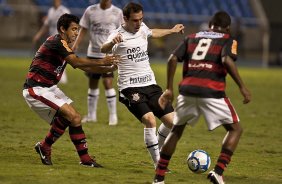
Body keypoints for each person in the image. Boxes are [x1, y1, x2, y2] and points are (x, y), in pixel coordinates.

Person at [152, 11, 251, 184]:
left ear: (210, 24)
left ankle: (159, 178)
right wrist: (242, 87)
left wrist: (169, 88)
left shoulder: (192, 37)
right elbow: (227, 59)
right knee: (235, 129)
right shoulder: (228, 39)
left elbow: (172, 58)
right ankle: (218, 172)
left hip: (187, 90)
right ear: (227, 27)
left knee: (176, 130)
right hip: (212, 90)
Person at [23, 13, 119, 167]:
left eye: (78, 29)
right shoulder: (57, 41)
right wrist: (103, 61)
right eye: (74, 29)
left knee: (74, 118)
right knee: (71, 115)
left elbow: (79, 65)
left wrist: (107, 68)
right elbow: (76, 62)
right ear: (62, 29)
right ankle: (47, 147)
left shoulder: (63, 45)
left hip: (49, 88)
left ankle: (81, 158)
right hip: (37, 88)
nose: (76, 33)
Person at [101, 2, 184, 169]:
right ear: (125, 19)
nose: (138, 23)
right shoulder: (116, 34)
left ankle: (157, 148)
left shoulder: (143, 28)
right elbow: (104, 48)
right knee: (149, 120)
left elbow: (153, 32)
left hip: (150, 85)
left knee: (173, 123)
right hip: (129, 88)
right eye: (135, 20)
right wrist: (111, 44)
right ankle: (158, 164)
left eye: (141, 19)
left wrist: (172, 30)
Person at [72, 0, 123, 125]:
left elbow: (122, 31)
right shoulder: (90, 10)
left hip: (108, 53)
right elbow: (83, 28)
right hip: (93, 53)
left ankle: (113, 116)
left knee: (107, 82)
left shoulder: (118, 12)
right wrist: (76, 44)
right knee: (93, 83)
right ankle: (91, 115)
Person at [33, 0, 70, 84]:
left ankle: (62, 78)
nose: (55, 1)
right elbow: (46, 25)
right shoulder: (51, 11)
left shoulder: (64, 11)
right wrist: (38, 35)